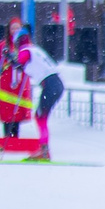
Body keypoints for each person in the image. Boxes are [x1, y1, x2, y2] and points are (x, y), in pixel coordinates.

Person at [15, 30, 61, 160]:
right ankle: (44, 149)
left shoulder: (25, 50)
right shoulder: (35, 49)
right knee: (41, 116)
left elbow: (19, 63)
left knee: (40, 117)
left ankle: (44, 151)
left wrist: (10, 58)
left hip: (50, 85)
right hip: (56, 83)